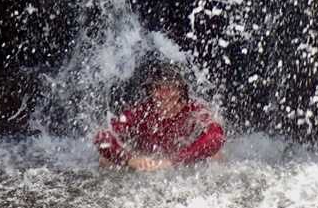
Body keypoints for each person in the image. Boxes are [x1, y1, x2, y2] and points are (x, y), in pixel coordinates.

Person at [94, 63, 225, 171]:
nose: (164, 95)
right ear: (150, 91)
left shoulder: (194, 111)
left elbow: (216, 136)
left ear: (181, 90)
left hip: (179, 158)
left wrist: (173, 161)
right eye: (158, 88)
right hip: (145, 158)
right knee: (104, 160)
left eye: (170, 88)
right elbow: (102, 137)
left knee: (216, 155)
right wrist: (130, 159)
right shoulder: (141, 112)